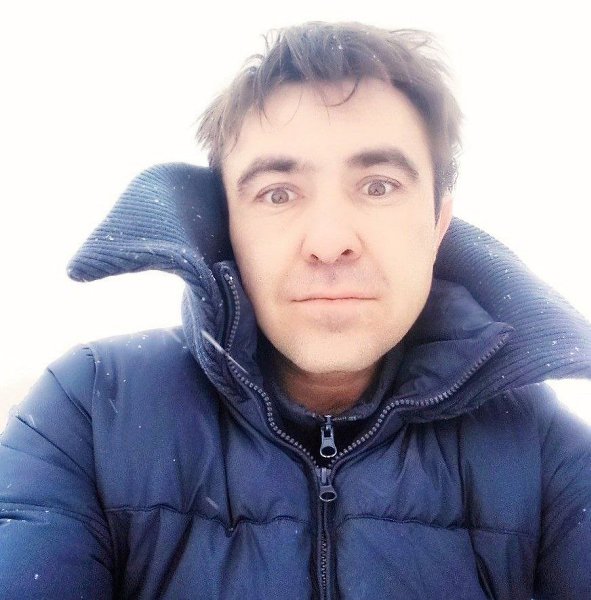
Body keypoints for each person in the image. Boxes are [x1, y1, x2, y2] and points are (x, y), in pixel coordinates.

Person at [1, 20, 590, 599]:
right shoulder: (92, 409)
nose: (329, 241)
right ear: (228, 227)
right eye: (277, 194)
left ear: (438, 225)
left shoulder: (539, 447)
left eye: (379, 185)